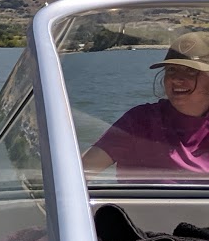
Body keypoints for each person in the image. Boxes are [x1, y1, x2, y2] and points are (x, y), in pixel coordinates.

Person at [82, 33, 209, 177]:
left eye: (191, 71)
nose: (176, 79)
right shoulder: (141, 121)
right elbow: (82, 171)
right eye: (171, 70)